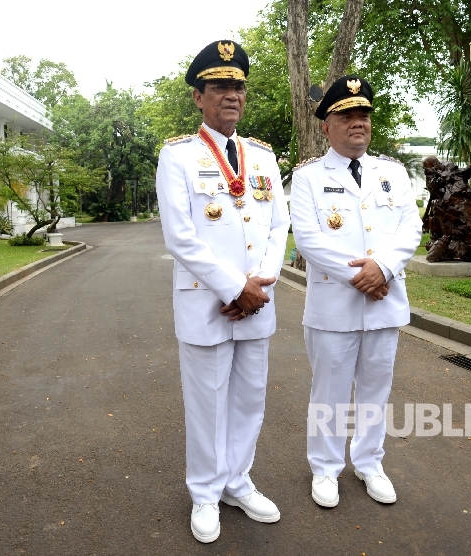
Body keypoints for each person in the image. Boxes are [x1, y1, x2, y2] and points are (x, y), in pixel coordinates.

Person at [155, 39, 289, 543]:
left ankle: (238, 480)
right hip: (208, 303)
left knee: (249, 400)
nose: (231, 94)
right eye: (219, 86)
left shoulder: (262, 157)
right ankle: (205, 493)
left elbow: (280, 225)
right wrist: (235, 288)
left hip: (257, 303)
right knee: (207, 403)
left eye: (237, 86)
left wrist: (260, 284)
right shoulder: (179, 157)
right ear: (199, 97)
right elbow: (180, 236)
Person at [289, 75, 422, 508]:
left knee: (375, 390)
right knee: (329, 390)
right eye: (346, 115)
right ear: (326, 126)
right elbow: (309, 240)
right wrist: (362, 278)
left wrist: (382, 268)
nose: (357, 122)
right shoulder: (308, 177)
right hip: (335, 306)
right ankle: (325, 470)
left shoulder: (393, 173)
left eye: (363, 114)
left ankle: (369, 463)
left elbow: (410, 226)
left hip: (384, 303)